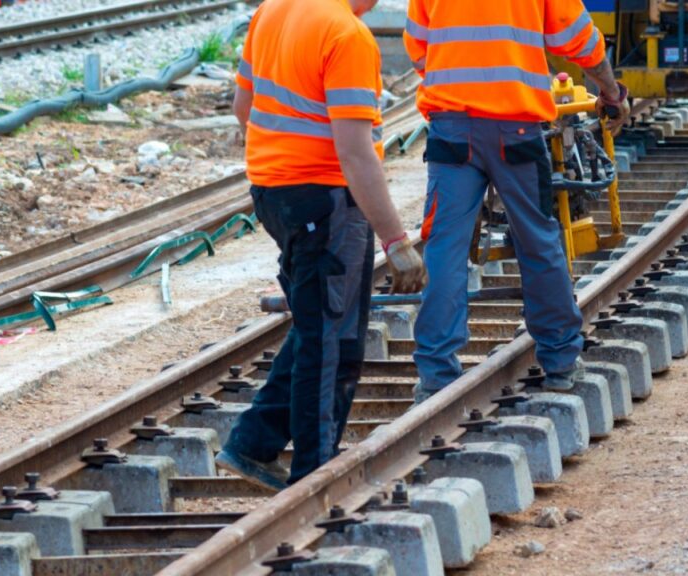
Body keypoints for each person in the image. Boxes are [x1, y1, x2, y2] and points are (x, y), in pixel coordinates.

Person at [215, 0, 427, 491]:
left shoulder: (272, 10)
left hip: (274, 194)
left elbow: (244, 108)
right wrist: (396, 240)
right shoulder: (347, 35)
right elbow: (355, 153)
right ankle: (315, 479)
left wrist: (284, 158)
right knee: (334, 342)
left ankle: (252, 443)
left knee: (317, 324)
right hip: (325, 202)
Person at [403, 0, 631, 401]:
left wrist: (461, 86)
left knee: (444, 248)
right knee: (538, 240)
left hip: (451, 128)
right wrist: (611, 92)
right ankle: (560, 360)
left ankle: (436, 375)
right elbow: (578, 38)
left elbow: (418, 47)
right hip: (517, 128)